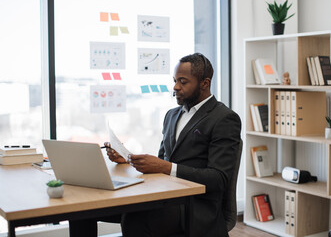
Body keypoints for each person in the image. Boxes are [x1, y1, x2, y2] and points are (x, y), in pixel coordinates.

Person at [69, 53, 241, 237]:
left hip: (195, 206)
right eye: (175, 80)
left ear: (205, 83)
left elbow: (219, 178)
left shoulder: (224, 118)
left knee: (136, 217)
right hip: (164, 196)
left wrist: (166, 167)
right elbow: (163, 161)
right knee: (81, 211)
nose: (175, 87)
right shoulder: (171, 115)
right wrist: (129, 159)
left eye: (183, 82)